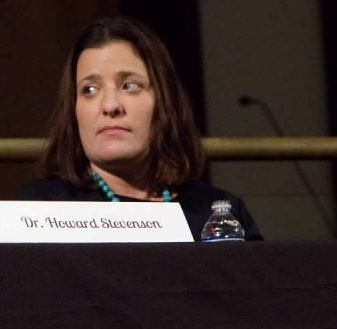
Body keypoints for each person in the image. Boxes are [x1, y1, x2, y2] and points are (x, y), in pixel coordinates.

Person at [19, 16, 262, 241]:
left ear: (165, 101)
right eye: (89, 90)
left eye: (130, 85)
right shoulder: (40, 211)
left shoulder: (221, 217)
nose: (111, 105)